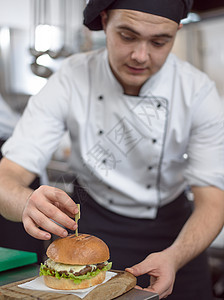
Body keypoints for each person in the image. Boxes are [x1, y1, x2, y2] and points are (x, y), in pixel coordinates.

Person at [0, 0, 223, 298]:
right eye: (127, 36)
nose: (140, 56)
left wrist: (176, 256)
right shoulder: (71, 77)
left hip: (176, 236)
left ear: (177, 31)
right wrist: (26, 201)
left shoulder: (197, 91)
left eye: (159, 41)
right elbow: (7, 176)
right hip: (92, 233)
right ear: (104, 22)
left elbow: (213, 201)